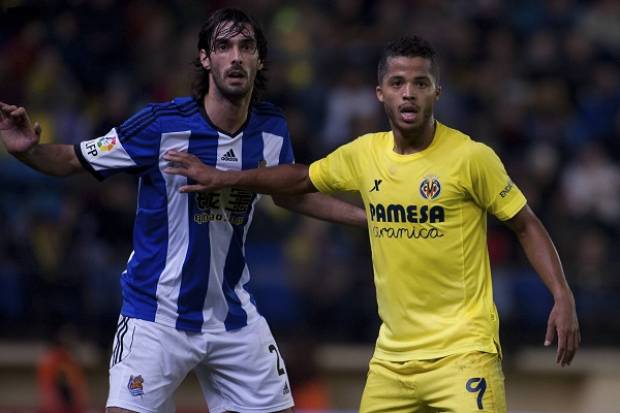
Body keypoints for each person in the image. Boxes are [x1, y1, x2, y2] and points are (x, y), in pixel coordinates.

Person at [162, 35, 581, 413]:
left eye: (420, 83)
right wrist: (226, 177)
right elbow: (297, 179)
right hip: (392, 362)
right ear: (380, 93)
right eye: (398, 83)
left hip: (464, 353)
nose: (409, 94)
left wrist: (561, 295)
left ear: (438, 91)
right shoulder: (365, 154)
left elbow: (525, 224)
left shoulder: (472, 158)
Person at [0, 8, 366, 413]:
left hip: (233, 319)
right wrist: (28, 151)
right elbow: (72, 159)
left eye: (246, 47)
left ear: (259, 59)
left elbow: (290, 193)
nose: (236, 57)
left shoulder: (271, 129)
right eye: (223, 47)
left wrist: (368, 219)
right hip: (155, 316)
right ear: (206, 58)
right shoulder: (159, 125)